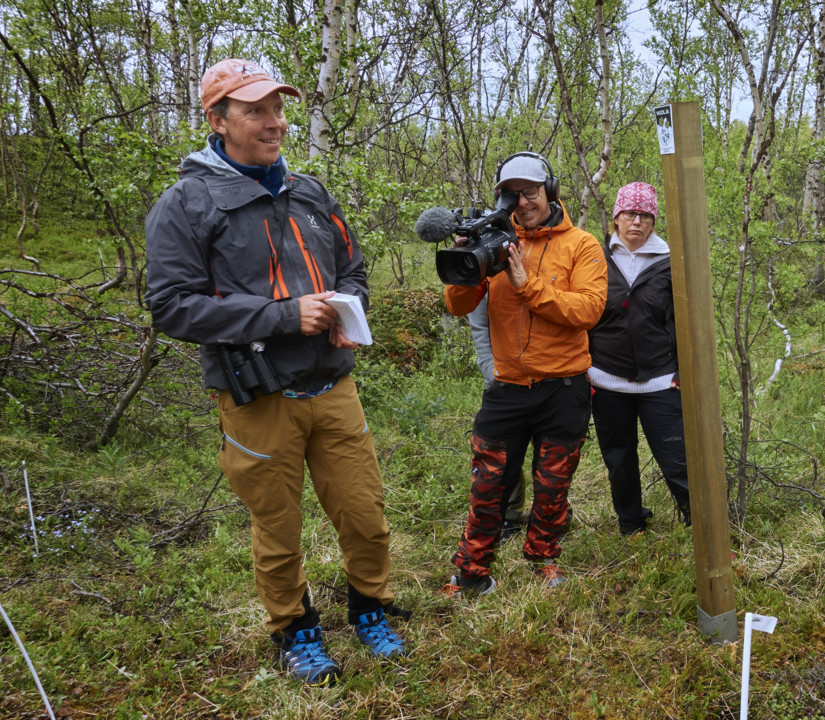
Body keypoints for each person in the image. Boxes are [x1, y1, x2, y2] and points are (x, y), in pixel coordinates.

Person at [144, 59, 405, 685]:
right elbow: (172, 304)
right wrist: (283, 316)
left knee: (365, 514)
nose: (275, 122)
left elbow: (353, 271)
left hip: (333, 385)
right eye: (255, 110)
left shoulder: (311, 192)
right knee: (278, 527)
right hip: (258, 396)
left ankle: (371, 608)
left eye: (278, 108)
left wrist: (347, 309)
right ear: (218, 120)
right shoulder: (186, 203)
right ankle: (295, 631)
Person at [442, 152, 607, 594]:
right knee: (488, 484)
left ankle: (543, 557)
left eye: (530, 192)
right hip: (508, 387)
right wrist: (466, 266)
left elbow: (588, 310)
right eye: (511, 194)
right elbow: (457, 306)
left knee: (553, 485)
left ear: (549, 192)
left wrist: (527, 285)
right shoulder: (493, 242)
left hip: (564, 388)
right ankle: (472, 572)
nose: (522, 202)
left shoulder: (582, 245)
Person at [588, 182, 691, 535]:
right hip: (605, 378)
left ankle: (699, 523)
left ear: (654, 221)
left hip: (660, 380)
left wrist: (680, 370)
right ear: (616, 217)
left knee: (676, 458)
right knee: (619, 458)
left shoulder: (670, 260)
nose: (637, 221)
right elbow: (582, 315)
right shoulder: (596, 257)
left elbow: (683, 321)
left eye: (646, 215)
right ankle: (631, 523)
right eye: (630, 213)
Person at [467, 296, 530, 541]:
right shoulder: (488, 267)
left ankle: (552, 516)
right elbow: (480, 323)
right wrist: (491, 371)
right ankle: (510, 515)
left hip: (554, 377)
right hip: (504, 378)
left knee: (553, 453)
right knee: (504, 451)